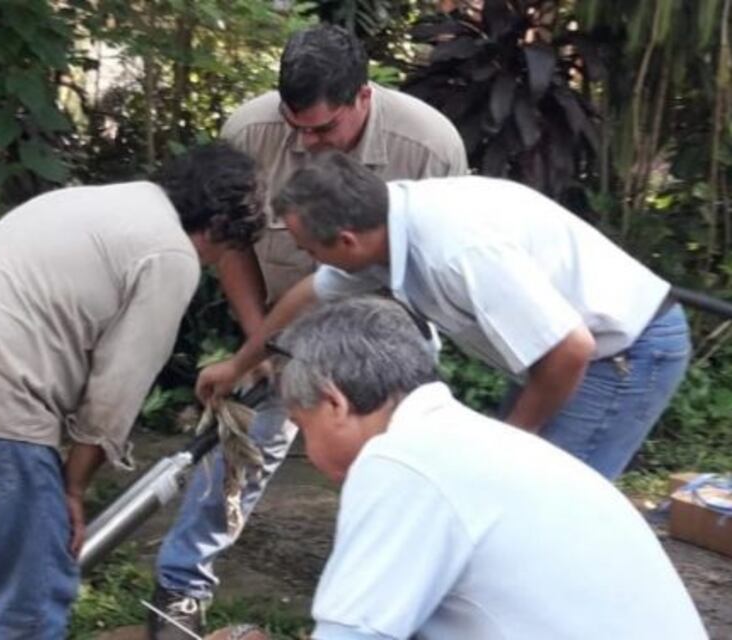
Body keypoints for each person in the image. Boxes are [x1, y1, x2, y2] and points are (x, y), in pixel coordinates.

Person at [150, 24, 467, 637]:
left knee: (391, 463)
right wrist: (256, 346)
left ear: (363, 97)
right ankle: (181, 585)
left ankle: (386, 602)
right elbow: (232, 244)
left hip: (388, 327)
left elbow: (433, 264)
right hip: (283, 317)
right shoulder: (249, 133)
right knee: (243, 438)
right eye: (298, 129)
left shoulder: (428, 145)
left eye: (326, 129)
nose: (311, 143)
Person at [0, 143, 264, 639]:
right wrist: (72, 488)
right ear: (219, 227)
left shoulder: (90, 202)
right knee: (36, 601)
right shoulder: (170, 253)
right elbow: (115, 395)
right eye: (224, 252)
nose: (213, 264)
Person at [198, 151, 691, 484]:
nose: (315, 261)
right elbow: (307, 297)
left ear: (346, 240)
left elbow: (571, 348)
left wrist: (509, 445)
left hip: (623, 351)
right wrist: (238, 365)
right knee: (507, 493)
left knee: (545, 502)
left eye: (312, 250)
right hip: (560, 353)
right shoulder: (384, 233)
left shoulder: (455, 251)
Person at [232, 296, 705, 640]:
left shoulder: (402, 460)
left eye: (301, 425)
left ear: (334, 402)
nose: (309, 454)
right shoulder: (484, 445)